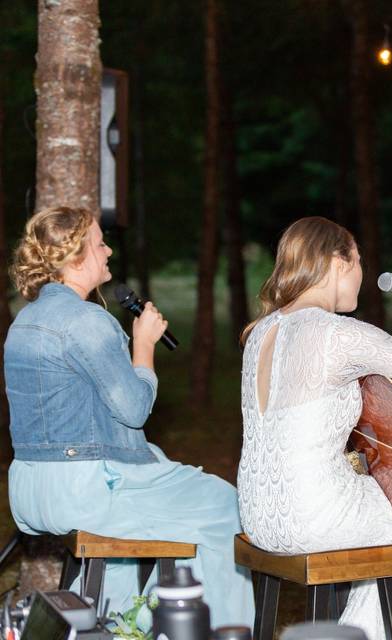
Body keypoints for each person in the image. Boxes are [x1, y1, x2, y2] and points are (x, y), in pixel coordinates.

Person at [4, 207, 254, 628]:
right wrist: (145, 346)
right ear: (76, 257)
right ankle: (214, 632)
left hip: (30, 489)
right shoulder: (86, 320)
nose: (108, 250)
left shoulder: (24, 321)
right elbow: (134, 410)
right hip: (85, 489)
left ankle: (119, 628)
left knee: (135, 541)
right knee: (224, 507)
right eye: (99, 243)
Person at [237, 217, 392, 639]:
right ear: (337, 262)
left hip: (257, 514)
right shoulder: (335, 333)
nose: (362, 273)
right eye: (359, 260)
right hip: (314, 515)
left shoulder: (260, 333)